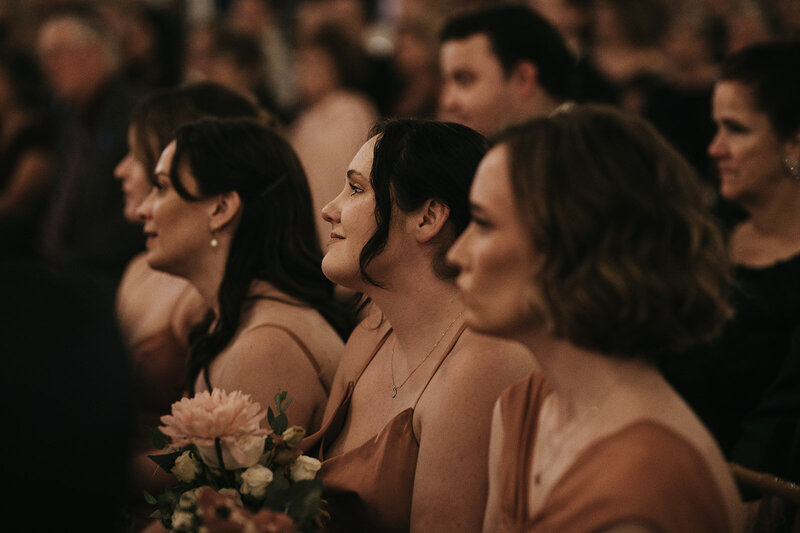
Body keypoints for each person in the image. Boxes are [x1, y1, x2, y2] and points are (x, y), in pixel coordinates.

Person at [446, 104, 744, 532]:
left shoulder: (646, 484)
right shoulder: (522, 409)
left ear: (574, 245)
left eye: (484, 223)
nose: (457, 254)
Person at [307, 119, 536, 532]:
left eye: (356, 189)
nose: (329, 208)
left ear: (428, 217)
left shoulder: (480, 366)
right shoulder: (371, 332)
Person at [114, 83, 274, 529]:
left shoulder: (231, 313)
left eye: (139, 158)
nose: (121, 171)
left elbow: (220, 483)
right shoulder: (141, 267)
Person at [136, 118, 352, 432]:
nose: (144, 209)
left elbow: (231, 483)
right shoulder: (238, 321)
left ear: (221, 208)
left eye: (161, 188)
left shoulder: (266, 346)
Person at [662, 41, 800, 486]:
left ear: (795, 144)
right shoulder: (703, 235)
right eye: (715, 127)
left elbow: (775, 429)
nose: (715, 148)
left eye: (736, 129)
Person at [36, 6, 142, 286]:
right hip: (60, 270)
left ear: (94, 53)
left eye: (56, 53)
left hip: (107, 276)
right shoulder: (71, 117)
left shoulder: (134, 115)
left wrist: (76, 258)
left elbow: (136, 214)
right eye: (43, 56)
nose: (48, 66)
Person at [438, 3, 576, 136]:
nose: (448, 102)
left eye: (464, 79)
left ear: (523, 78)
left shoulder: (584, 151)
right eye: (445, 81)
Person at [0, 45, 54, 259]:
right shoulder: (4, 130)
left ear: (15, 83)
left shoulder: (37, 134)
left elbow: (17, 201)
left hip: (19, 246)